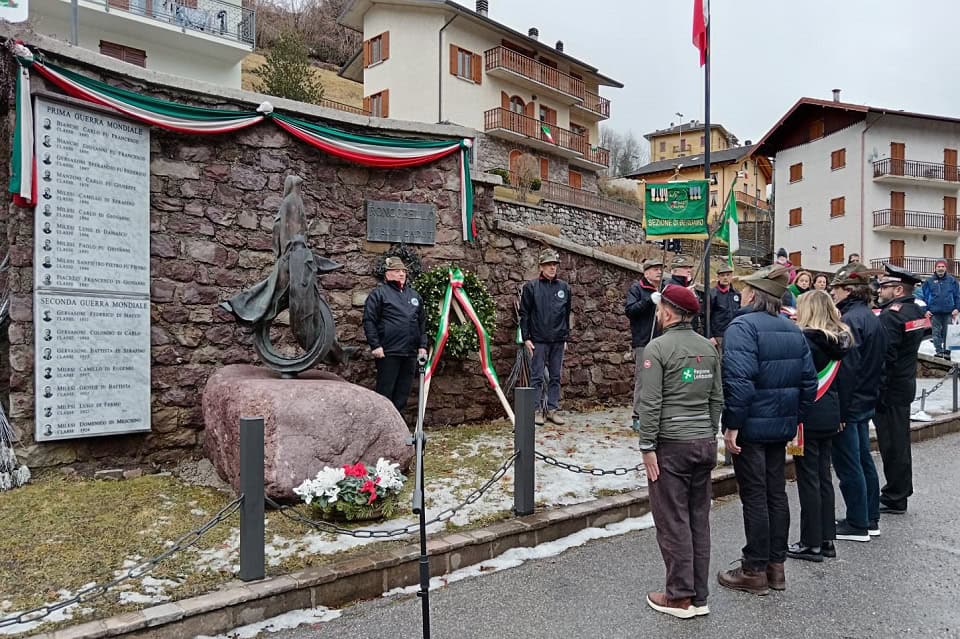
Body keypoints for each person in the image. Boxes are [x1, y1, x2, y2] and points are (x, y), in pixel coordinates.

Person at [717, 266, 817, 596]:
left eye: (745, 289)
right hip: (780, 426)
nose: (741, 293)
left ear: (753, 295)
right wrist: (793, 418)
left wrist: (732, 424)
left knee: (756, 496)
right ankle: (776, 567)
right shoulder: (792, 329)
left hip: (751, 426)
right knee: (776, 493)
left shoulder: (742, 326)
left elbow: (738, 383)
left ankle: (754, 569)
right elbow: (809, 383)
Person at [638, 284, 723, 619]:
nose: (657, 314)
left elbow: (650, 403)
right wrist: (710, 432)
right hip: (703, 442)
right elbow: (717, 398)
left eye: (660, 309)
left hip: (671, 445)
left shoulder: (657, 349)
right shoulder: (708, 347)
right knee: (698, 520)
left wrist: (647, 446)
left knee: (673, 522)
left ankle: (678, 598)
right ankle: (698, 595)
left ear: (669, 312)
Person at [787, 291, 853, 562]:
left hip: (808, 416)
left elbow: (799, 380)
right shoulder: (840, 340)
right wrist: (842, 413)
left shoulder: (805, 341)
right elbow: (846, 380)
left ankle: (810, 542)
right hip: (831, 414)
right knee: (824, 476)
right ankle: (827, 539)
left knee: (808, 479)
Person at [829, 263, 885, 542]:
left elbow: (847, 369)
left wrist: (840, 410)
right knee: (863, 461)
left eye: (835, 289)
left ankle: (857, 521)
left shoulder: (849, 320)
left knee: (849, 463)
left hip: (850, 404)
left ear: (848, 289)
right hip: (865, 400)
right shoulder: (872, 317)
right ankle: (870, 517)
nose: (833, 294)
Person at [875, 263, 925, 515]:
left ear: (897, 289)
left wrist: (878, 390)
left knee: (893, 444)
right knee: (899, 442)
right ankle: (900, 490)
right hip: (904, 384)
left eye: (884, 286)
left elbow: (885, 357)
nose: (879, 290)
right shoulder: (913, 310)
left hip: (891, 389)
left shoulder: (891, 315)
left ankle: (895, 495)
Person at [362, 257, 428, 415]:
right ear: (387, 274)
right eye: (397, 271)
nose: (401, 274)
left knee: (403, 393)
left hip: (410, 353)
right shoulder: (379, 294)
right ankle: (382, 426)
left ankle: (399, 428)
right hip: (388, 352)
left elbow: (422, 323)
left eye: (403, 271)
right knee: (385, 392)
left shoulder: (414, 296)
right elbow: (369, 320)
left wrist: (422, 346)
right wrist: (375, 345)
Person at [520, 248, 572, 426]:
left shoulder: (564, 288)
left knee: (556, 376)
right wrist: (526, 337)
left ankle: (552, 409)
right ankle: (536, 410)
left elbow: (566, 314)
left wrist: (565, 337)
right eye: (549, 264)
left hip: (558, 339)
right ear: (541, 266)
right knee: (537, 376)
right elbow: (524, 314)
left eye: (555, 264)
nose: (552, 268)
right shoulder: (531, 287)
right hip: (538, 339)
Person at [625, 258, 663, 431]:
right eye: (655, 269)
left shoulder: (664, 289)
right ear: (646, 272)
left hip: (661, 340)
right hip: (643, 340)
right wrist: (649, 301)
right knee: (643, 378)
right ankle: (637, 416)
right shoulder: (637, 289)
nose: (659, 272)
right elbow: (630, 311)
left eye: (660, 269)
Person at [919, 259, 960, 358]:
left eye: (942, 267)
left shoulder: (952, 280)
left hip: (949, 312)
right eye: (938, 267)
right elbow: (922, 296)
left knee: (948, 333)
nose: (940, 268)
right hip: (934, 313)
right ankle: (939, 351)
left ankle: (947, 353)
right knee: (936, 333)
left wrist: (957, 308)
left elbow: (957, 295)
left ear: (945, 268)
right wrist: (926, 310)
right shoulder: (929, 281)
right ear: (935, 268)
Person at [665, 255, 704, 334]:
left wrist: (695, 297)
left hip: (691, 330)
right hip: (674, 332)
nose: (689, 270)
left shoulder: (689, 285)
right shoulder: (668, 286)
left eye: (690, 268)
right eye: (685, 268)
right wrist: (683, 294)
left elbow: (698, 310)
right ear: (674, 271)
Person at [709, 263, 740, 350]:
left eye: (728, 275)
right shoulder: (712, 294)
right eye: (722, 275)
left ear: (732, 276)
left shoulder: (737, 294)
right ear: (718, 277)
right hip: (718, 336)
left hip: (734, 334)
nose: (725, 278)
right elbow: (705, 316)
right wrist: (710, 336)